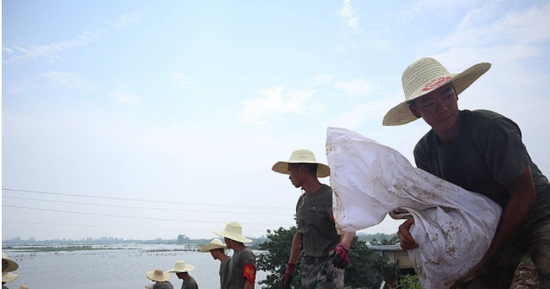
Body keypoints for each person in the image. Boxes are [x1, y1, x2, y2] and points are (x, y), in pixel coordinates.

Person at [383, 57, 550, 288]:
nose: (443, 108)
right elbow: (443, 206)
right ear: (415, 110)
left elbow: (524, 194)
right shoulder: (424, 152)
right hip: (489, 222)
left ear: (457, 94)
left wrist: (488, 251)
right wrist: (413, 225)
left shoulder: (492, 128)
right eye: (429, 103)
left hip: (538, 212)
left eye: (447, 96)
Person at [272, 149, 356, 289]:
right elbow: (300, 234)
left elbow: (349, 226)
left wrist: (343, 246)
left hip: (328, 267)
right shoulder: (302, 201)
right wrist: (291, 266)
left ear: (302, 169)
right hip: (308, 267)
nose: (289, 176)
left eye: (290, 171)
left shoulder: (329, 197)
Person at [214, 221, 256, 289]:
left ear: (230, 238)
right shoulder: (236, 254)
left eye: (225, 237)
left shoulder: (246, 255)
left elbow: (249, 281)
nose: (224, 240)